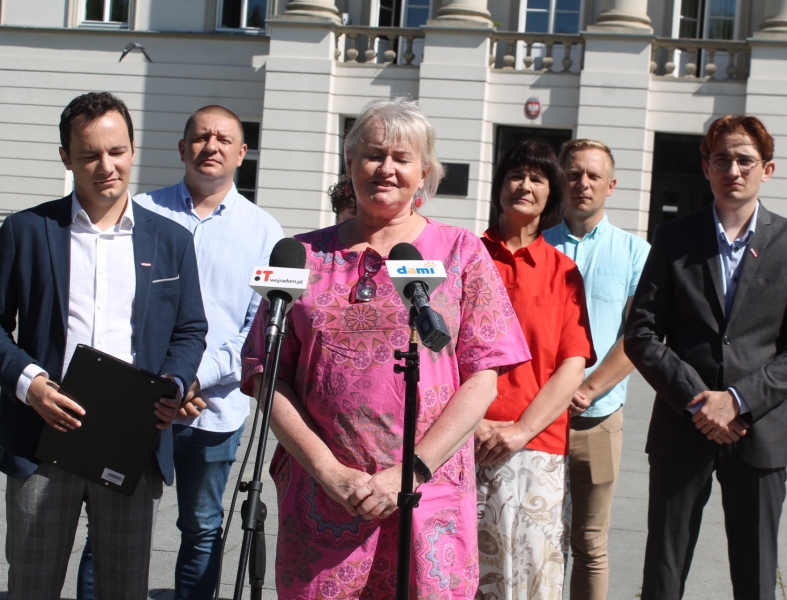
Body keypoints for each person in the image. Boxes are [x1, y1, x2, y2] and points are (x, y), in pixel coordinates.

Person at [239, 96, 531, 599]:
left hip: (427, 493)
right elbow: (266, 374)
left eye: (402, 158)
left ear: (425, 173)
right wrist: (329, 471)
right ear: (350, 162)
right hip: (324, 495)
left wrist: (410, 472)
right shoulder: (301, 255)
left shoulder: (461, 252)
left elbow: (484, 377)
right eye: (373, 155)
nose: (386, 169)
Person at [0, 92, 208, 599]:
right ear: (66, 158)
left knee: (123, 588)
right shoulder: (27, 231)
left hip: (131, 440)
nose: (106, 166)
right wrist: (30, 384)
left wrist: (174, 384)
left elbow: (190, 329)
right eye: (90, 154)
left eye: (116, 151)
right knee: (31, 587)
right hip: (42, 439)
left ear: (133, 149)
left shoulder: (171, 240)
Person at [77, 105, 285, 600]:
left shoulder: (265, 233)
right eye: (200, 137)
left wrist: (192, 379)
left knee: (202, 527)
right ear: (181, 147)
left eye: (223, 139)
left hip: (213, 408)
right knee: (108, 527)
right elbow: (115, 309)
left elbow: (255, 330)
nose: (211, 146)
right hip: (136, 402)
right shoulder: (139, 211)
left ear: (242, 152)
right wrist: (162, 383)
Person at [624, 115, 787, 600]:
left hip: (758, 431)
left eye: (745, 160)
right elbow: (642, 334)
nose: (733, 170)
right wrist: (701, 400)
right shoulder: (674, 237)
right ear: (706, 168)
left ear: (767, 169)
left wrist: (736, 400)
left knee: (756, 575)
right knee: (663, 571)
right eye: (722, 160)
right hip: (682, 425)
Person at [476, 139, 596, 600]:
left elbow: (572, 364)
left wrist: (520, 430)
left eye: (538, 178)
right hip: (463, 439)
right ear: (499, 185)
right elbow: (436, 355)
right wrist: (473, 423)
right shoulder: (465, 256)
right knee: (463, 573)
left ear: (552, 194)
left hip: (536, 446)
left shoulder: (563, 271)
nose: (524, 185)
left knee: (532, 575)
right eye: (515, 175)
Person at [543, 139, 650, 600]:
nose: (582, 183)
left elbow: (640, 336)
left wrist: (586, 390)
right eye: (573, 174)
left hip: (598, 418)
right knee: (537, 536)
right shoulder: (536, 244)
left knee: (590, 542)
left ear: (611, 185)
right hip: (536, 416)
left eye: (593, 175)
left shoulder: (635, 252)